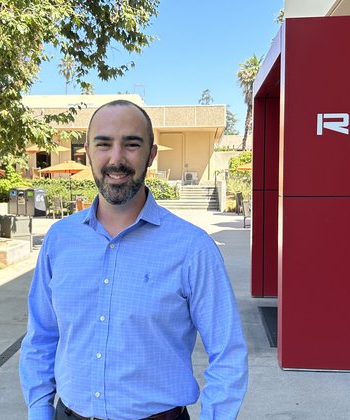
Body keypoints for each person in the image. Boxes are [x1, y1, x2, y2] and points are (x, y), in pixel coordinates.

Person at [20, 100, 248, 420]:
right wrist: (39, 409)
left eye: (131, 144)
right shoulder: (59, 241)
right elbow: (41, 337)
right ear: (87, 151)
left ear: (151, 155)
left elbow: (228, 354)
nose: (116, 159)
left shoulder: (192, 249)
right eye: (104, 144)